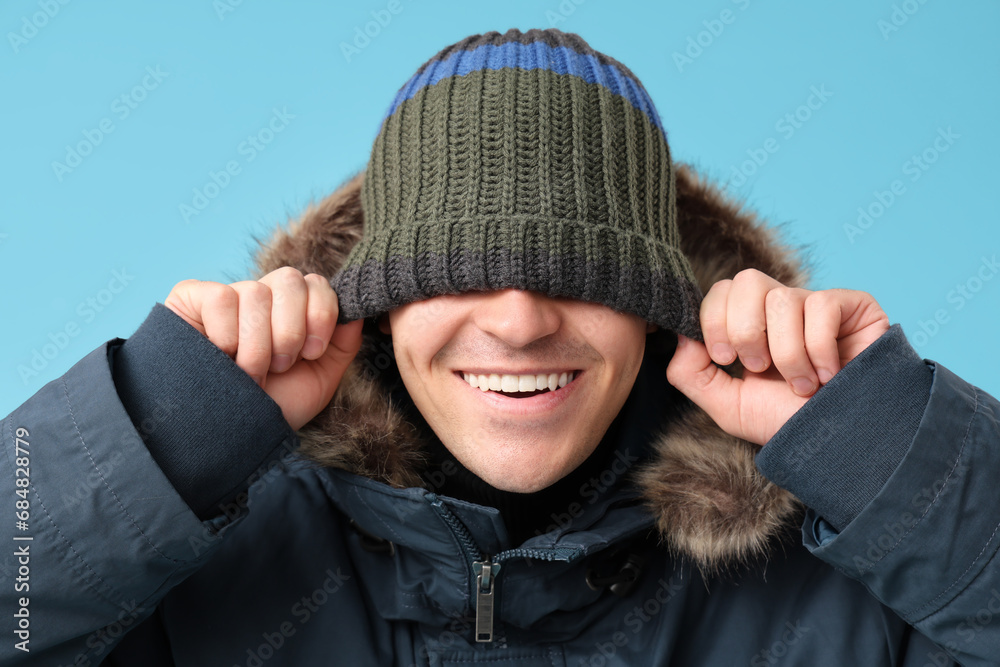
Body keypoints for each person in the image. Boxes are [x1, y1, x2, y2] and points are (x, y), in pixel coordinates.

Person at [2, 28, 997, 666]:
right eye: (453, 270)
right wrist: (146, 443)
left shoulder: (850, 583)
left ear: (657, 304)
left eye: (584, 271)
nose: (519, 320)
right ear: (381, 302)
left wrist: (888, 445)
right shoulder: (203, 558)